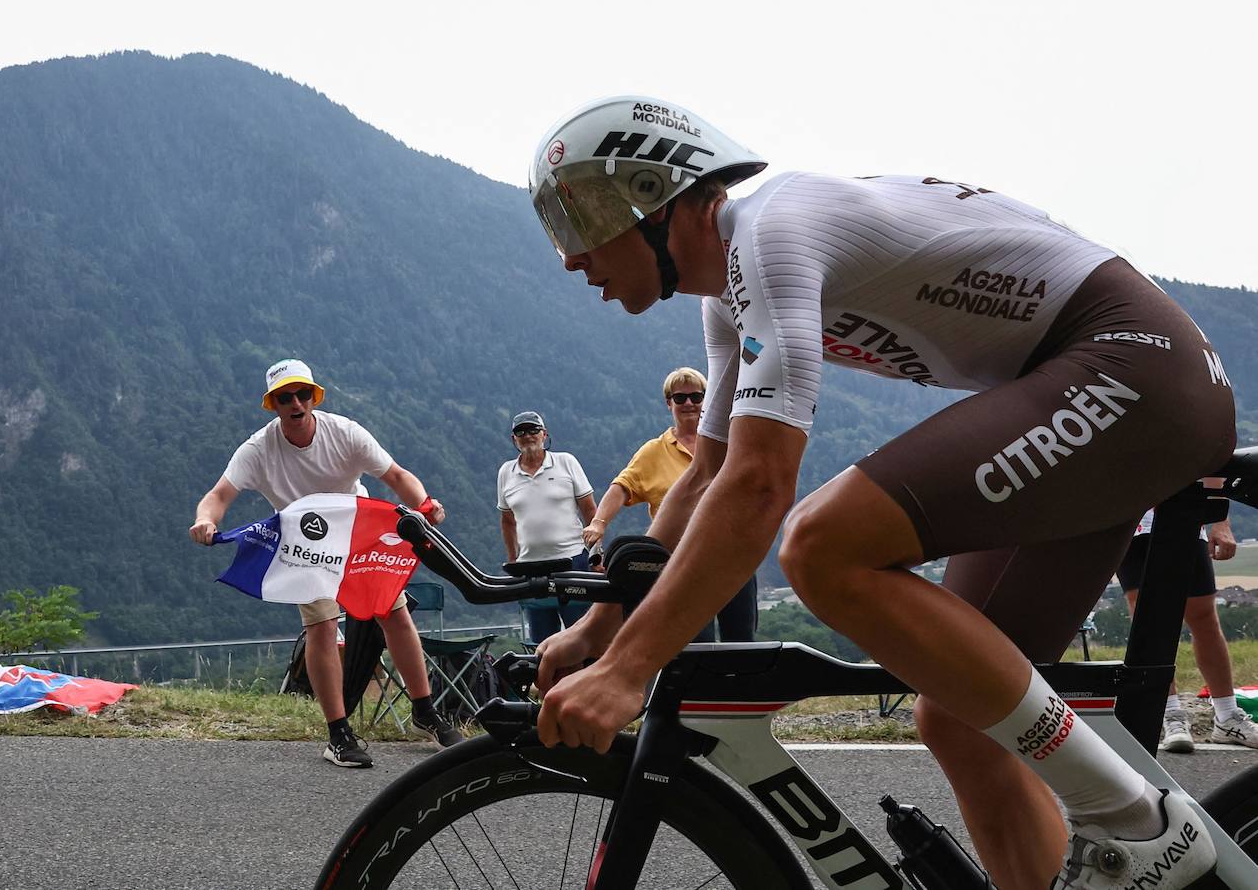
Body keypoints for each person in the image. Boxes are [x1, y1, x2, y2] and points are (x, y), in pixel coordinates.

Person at [527, 96, 1235, 889]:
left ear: (656, 194)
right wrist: (602, 626)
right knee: (962, 715)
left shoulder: (771, 230)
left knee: (822, 545)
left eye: (581, 218)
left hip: (1138, 366)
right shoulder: (725, 297)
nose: (569, 255)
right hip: (1103, 387)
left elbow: (761, 486)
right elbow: (708, 475)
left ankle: (1135, 821)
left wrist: (630, 670)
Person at [190, 359, 461, 769]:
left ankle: (426, 713)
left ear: (314, 398)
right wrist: (205, 521)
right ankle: (338, 734)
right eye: (286, 397)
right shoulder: (258, 448)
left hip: (357, 534)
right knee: (321, 626)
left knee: (395, 614)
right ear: (274, 405)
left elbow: (399, 477)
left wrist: (422, 509)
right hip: (304, 545)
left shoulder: (345, 432)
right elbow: (219, 494)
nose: (296, 403)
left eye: (303, 395)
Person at [583, 366, 757, 642]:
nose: (688, 403)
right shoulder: (654, 451)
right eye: (680, 398)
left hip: (732, 556)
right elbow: (621, 487)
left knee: (741, 640)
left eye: (696, 397)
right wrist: (599, 522)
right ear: (669, 403)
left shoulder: (729, 441)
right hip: (680, 562)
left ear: (707, 400)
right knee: (693, 644)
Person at [1117, 503, 1258, 752]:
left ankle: (1227, 716)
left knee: (1203, 614)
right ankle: (1170, 714)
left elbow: (1212, 466)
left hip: (1186, 511)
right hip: (1130, 514)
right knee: (1147, 614)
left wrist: (1220, 522)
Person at [497, 411, 598, 644]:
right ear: (514, 439)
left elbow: (591, 512)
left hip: (573, 561)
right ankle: (550, 682)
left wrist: (596, 555)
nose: (528, 435)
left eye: (533, 430)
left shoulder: (566, 462)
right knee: (542, 643)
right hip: (531, 568)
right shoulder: (506, 472)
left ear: (544, 435)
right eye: (520, 432)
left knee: (581, 639)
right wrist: (513, 561)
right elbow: (507, 520)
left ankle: (584, 681)